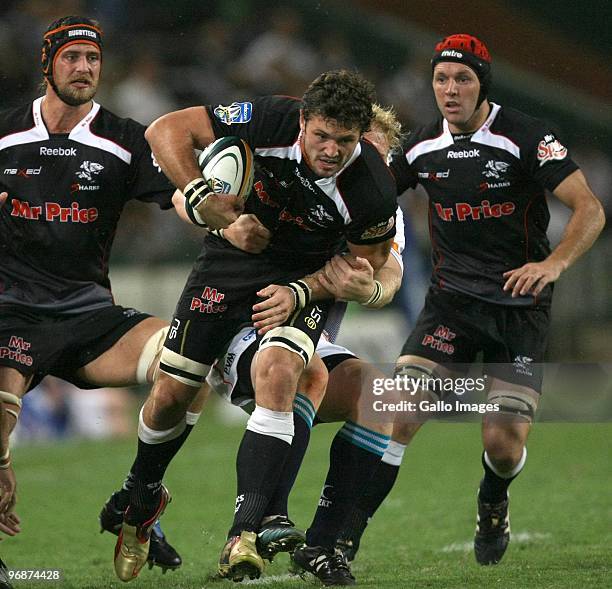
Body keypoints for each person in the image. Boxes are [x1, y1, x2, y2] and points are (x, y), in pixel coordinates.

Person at [113, 70, 398, 582]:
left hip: (297, 283)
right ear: (303, 121)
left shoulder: (374, 192)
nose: (332, 151)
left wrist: (310, 290)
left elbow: (369, 269)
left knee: (290, 367)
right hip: (228, 265)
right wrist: (208, 204)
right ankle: (142, 492)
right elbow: (165, 131)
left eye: (348, 142)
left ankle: (253, 530)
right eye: (322, 136)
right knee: (172, 394)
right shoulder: (270, 118)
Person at [336, 34, 606, 566]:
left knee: (503, 445)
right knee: (399, 412)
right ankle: (341, 540)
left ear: (483, 84)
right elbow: (372, 199)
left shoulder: (526, 136)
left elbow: (589, 209)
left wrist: (553, 265)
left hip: (518, 309)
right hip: (451, 304)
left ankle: (493, 498)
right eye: (441, 79)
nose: (450, 90)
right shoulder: (419, 147)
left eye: (462, 79)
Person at [0, 15, 206, 573]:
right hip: (11, 315)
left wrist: (209, 210)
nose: (85, 67)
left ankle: (138, 500)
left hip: (90, 316)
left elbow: (180, 196)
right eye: (72, 57)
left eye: (92, 58)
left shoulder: (124, 138)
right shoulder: (5, 135)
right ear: (47, 65)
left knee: (187, 362)